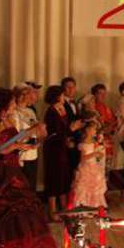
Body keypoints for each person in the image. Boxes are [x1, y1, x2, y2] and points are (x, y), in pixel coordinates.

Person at [0, 88, 61, 248]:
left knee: (27, 210)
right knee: (6, 211)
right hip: (2, 171)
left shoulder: (8, 119)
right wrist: (17, 145)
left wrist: (28, 137)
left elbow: (14, 138)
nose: (14, 104)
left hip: (14, 167)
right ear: (4, 103)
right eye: (12, 102)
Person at [44, 85, 83, 216]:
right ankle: (52, 212)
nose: (63, 97)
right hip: (54, 149)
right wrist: (71, 129)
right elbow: (54, 132)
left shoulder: (61, 109)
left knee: (63, 178)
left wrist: (69, 135)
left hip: (62, 148)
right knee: (54, 179)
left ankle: (65, 208)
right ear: (56, 96)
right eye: (61, 95)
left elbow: (63, 130)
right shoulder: (51, 111)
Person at [12, 82, 46, 191]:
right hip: (21, 156)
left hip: (32, 154)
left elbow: (36, 131)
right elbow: (15, 137)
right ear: (20, 96)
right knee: (23, 188)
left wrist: (40, 135)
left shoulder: (30, 111)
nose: (32, 96)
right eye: (29, 93)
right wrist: (34, 128)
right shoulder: (13, 112)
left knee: (31, 187)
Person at [69, 119, 108, 208]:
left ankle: (94, 206)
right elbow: (83, 158)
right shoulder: (83, 143)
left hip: (94, 166)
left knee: (95, 187)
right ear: (87, 130)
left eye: (95, 129)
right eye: (93, 129)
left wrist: (99, 154)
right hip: (86, 167)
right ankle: (84, 206)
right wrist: (94, 154)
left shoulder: (94, 142)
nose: (95, 131)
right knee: (85, 188)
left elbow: (96, 155)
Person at [92, 83, 118, 173]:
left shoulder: (107, 108)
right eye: (100, 93)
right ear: (94, 95)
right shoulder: (92, 108)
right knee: (97, 167)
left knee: (107, 167)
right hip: (97, 142)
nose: (103, 96)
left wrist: (112, 128)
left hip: (108, 141)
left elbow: (114, 122)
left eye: (104, 93)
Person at [61, 76, 82, 175]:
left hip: (77, 139)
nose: (71, 89)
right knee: (67, 169)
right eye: (68, 87)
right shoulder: (60, 104)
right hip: (67, 139)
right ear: (63, 89)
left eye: (73, 87)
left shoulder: (76, 103)